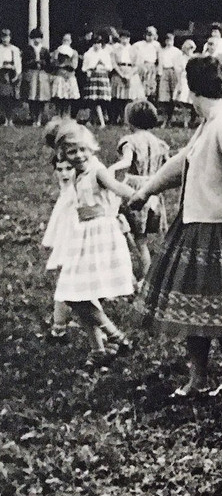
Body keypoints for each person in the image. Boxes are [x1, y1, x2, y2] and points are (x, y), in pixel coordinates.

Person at [132, 57, 222, 399]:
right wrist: (146, 191)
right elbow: (182, 162)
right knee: (193, 309)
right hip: (196, 223)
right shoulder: (210, 123)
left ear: (192, 90)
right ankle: (197, 379)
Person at [50, 121, 137, 367]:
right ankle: (100, 347)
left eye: (82, 150)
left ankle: (114, 336)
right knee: (77, 294)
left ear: (91, 148)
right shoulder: (72, 172)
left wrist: (142, 194)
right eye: (71, 152)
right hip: (83, 237)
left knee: (77, 294)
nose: (78, 156)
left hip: (100, 236)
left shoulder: (97, 170)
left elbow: (117, 187)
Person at [109, 100, 170, 278]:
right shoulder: (159, 143)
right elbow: (168, 165)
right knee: (140, 236)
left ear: (130, 120)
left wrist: (112, 169)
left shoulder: (130, 141)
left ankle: (141, 274)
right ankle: (142, 272)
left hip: (134, 189)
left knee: (127, 231)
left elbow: (127, 162)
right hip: (153, 187)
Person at [42, 149, 80, 339]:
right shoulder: (65, 192)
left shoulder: (76, 193)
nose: (64, 174)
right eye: (60, 169)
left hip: (73, 241)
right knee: (65, 281)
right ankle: (59, 325)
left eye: (69, 168)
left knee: (70, 282)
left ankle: (62, 323)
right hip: (65, 241)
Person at [23, 28, 53, 126]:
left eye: (38, 38)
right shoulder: (28, 49)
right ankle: (33, 118)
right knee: (32, 97)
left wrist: (43, 63)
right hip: (32, 74)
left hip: (42, 75)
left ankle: (39, 118)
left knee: (41, 98)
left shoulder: (44, 50)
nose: (36, 40)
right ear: (31, 39)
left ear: (41, 39)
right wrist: (33, 62)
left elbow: (49, 65)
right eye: (34, 38)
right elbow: (24, 63)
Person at [81, 36, 112, 127]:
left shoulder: (105, 54)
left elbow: (110, 67)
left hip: (102, 77)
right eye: (95, 43)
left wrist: (103, 65)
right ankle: (100, 122)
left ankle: (92, 120)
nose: (97, 45)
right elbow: (84, 68)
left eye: (99, 43)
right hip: (93, 77)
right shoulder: (88, 54)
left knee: (100, 100)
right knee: (94, 100)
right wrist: (90, 68)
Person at [0, 28, 21, 126]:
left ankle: (10, 119)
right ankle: (5, 119)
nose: (5, 39)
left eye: (7, 37)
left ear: (10, 38)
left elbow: (18, 63)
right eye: (3, 37)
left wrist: (17, 74)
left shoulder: (15, 49)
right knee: (3, 97)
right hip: (2, 73)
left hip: (12, 73)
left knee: (11, 97)